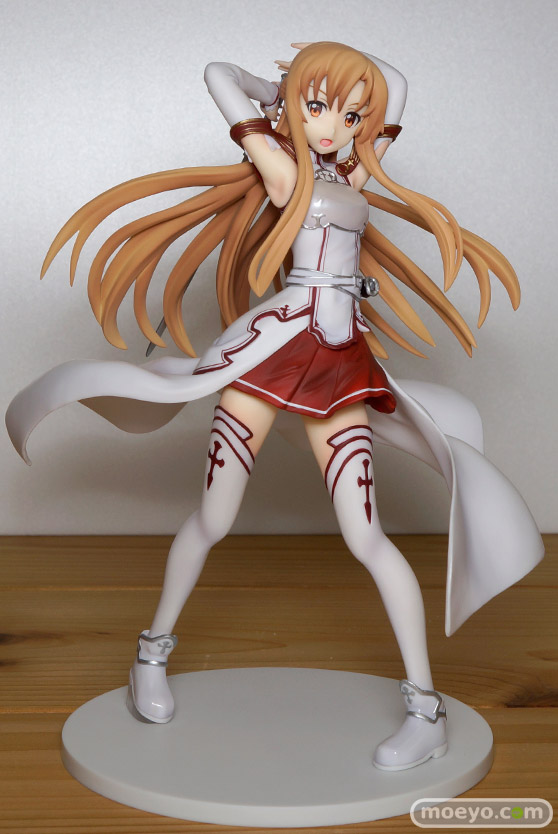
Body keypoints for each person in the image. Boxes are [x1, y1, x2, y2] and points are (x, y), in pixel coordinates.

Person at [5, 42, 544, 771]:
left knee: (367, 537)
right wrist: (281, 90)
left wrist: (342, 89)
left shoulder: (349, 172)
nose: (335, 126)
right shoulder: (284, 169)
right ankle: (150, 658)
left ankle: (426, 710)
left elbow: (395, 85)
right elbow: (216, 75)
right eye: (320, 109)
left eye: (351, 116)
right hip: (270, 356)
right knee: (214, 518)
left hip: (340, 364)